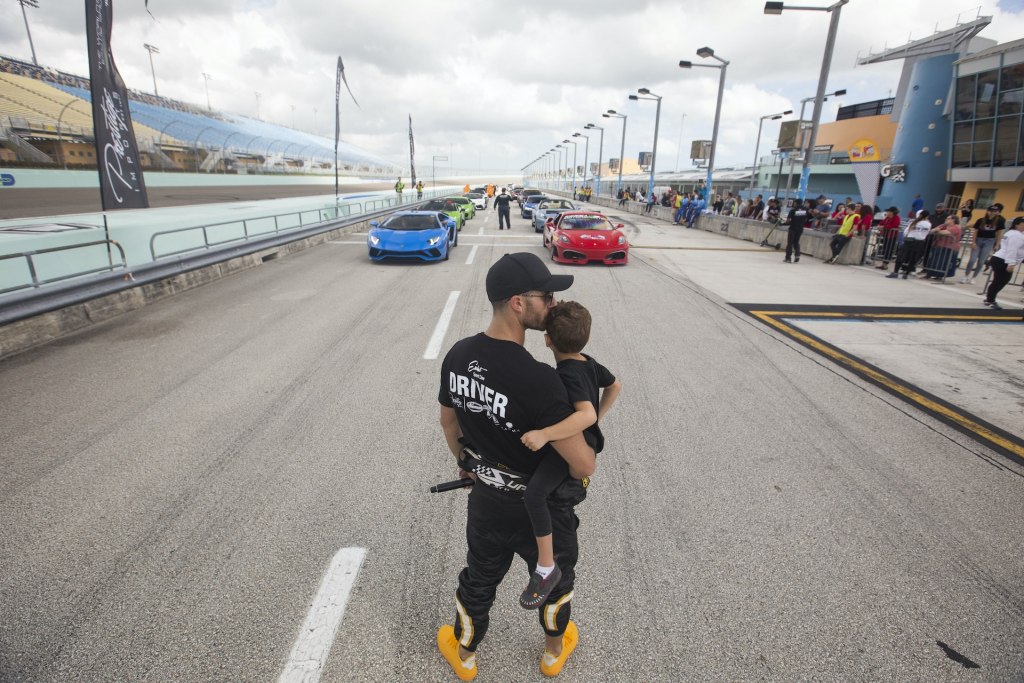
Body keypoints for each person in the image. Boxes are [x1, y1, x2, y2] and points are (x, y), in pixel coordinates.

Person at [437, 253, 596, 680]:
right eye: (547, 295)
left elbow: (448, 420)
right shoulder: (540, 380)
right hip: (539, 510)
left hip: (487, 501)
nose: (554, 304)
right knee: (555, 580)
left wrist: (466, 465)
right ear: (518, 303)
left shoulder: (457, 355)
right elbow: (584, 462)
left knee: (479, 578)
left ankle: (465, 656)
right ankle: (552, 654)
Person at [518, 301, 621, 610]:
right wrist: (597, 421)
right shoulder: (588, 362)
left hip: (568, 451)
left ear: (547, 339)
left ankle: (546, 567)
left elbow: (585, 414)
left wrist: (546, 434)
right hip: (583, 442)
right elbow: (614, 386)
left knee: (534, 497)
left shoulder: (567, 375)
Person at [983, 216, 1024, 309]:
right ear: (1017, 224)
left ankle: (989, 299)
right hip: (1003, 260)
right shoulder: (1016, 235)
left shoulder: (1014, 233)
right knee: (999, 281)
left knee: (1000, 280)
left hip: (1000, 258)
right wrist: (1011, 263)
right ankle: (990, 300)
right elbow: (1012, 250)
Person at [960, 203, 1005, 284]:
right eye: (991, 211)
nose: (992, 213)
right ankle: (966, 275)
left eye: (995, 211)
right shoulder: (980, 220)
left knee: (981, 261)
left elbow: (999, 233)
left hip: (989, 241)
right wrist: (973, 242)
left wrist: (997, 244)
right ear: (987, 211)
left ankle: (973, 277)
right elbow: (975, 231)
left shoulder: (1000, 221)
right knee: (972, 260)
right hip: (979, 240)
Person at [887, 210, 932, 279]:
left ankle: (895, 272)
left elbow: (906, 231)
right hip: (920, 242)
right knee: (913, 259)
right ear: (927, 216)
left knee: (901, 256)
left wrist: (906, 237)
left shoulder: (914, 222)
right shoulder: (928, 224)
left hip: (909, 241)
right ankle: (906, 274)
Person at [920, 214, 962, 280]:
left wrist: (937, 231)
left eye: (948, 218)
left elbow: (945, 232)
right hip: (938, 245)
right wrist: (937, 230)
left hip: (949, 247)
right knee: (933, 261)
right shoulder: (943, 225)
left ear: (953, 220)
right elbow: (932, 230)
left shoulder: (956, 227)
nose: (946, 219)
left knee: (943, 262)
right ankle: (929, 274)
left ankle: (939, 276)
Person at [783, 199, 813, 263]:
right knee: (796, 242)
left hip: (793, 228)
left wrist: (786, 222)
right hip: (800, 228)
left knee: (790, 243)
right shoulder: (805, 210)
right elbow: (806, 219)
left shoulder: (793, 210)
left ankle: (788, 258)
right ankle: (797, 255)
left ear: (796, 203)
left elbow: (788, 220)